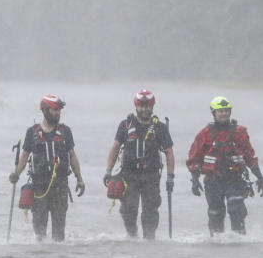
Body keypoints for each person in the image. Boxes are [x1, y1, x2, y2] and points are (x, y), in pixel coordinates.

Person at [9, 94, 86, 241]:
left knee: (59, 234)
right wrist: (16, 174)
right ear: (44, 110)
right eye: (54, 109)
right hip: (39, 188)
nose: (57, 113)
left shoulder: (65, 131)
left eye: (59, 110)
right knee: (40, 233)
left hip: (60, 187)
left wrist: (80, 179)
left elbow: (73, 156)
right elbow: (24, 156)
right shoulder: (32, 132)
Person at [186, 95, 263, 235]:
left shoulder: (240, 132)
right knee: (215, 214)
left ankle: (239, 243)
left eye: (227, 110)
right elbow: (194, 159)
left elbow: (249, 156)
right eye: (220, 111)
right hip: (213, 180)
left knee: (236, 209)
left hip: (235, 178)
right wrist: (195, 179)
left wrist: (260, 177)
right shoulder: (204, 134)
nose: (224, 113)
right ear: (214, 113)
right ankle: (217, 246)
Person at [103, 89, 175, 239]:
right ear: (136, 106)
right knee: (129, 210)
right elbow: (115, 148)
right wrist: (108, 171)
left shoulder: (160, 128)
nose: (144, 109)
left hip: (151, 177)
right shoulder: (125, 125)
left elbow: (169, 153)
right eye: (141, 106)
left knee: (150, 211)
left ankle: (149, 241)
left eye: (147, 106)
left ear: (152, 106)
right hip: (129, 176)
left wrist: (170, 177)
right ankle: (132, 238)